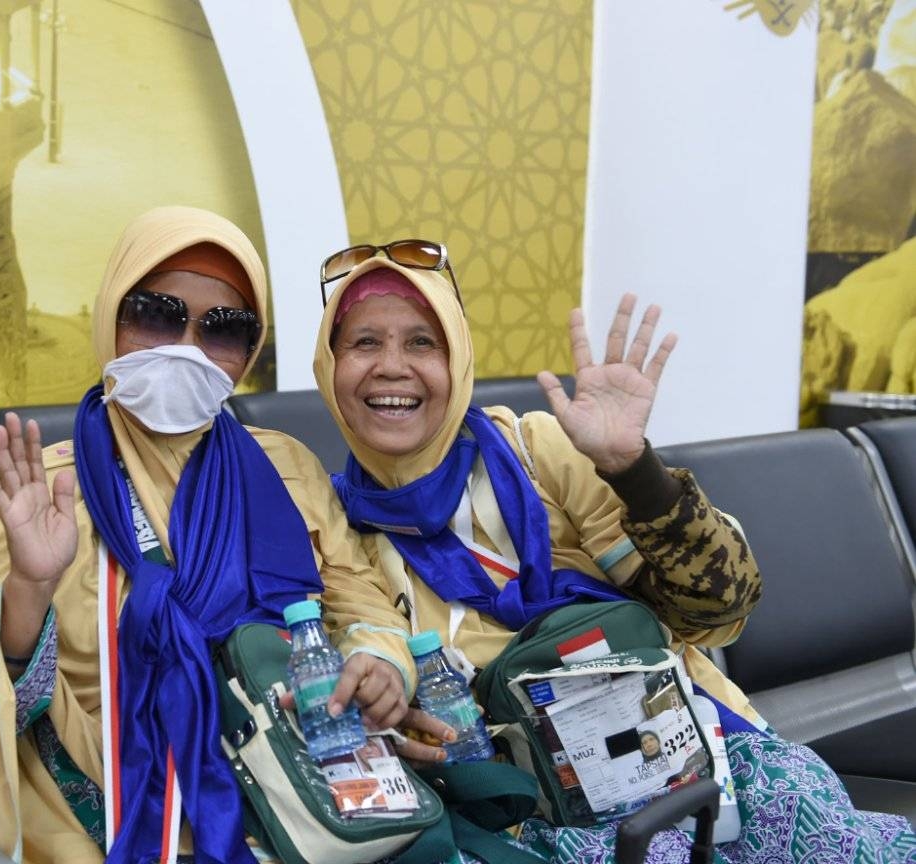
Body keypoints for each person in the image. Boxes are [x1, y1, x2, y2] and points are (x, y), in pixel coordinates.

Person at [311, 244, 916, 861]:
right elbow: (373, 649)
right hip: (544, 821)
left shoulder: (535, 451)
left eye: (421, 342)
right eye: (364, 343)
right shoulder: (345, 532)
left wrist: (635, 473)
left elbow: (717, 612)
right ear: (328, 366)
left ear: (459, 357)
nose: (392, 366)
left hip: (705, 766)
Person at [0, 207, 418, 864]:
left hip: (297, 805)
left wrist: (380, 660)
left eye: (224, 327)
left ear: (251, 351)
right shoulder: (43, 494)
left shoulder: (285, 467)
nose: (187, 344)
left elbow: (360, 598)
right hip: (100, 825)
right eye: (155, 313)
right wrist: (29, 590)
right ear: (110, 317)